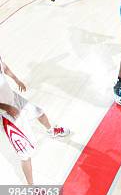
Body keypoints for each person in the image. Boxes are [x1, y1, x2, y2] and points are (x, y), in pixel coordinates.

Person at [0, 54, 70, 185]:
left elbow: (3, 66)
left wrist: (16, 79)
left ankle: (51, 131)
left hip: (14, 99)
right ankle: (31, 188)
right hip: (6, 114)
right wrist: (7, 108)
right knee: (25, 154)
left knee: (39, 112)